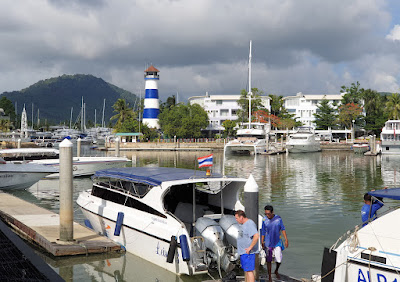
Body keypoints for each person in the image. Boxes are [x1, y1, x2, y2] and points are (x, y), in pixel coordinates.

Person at [260, 205, 288, 282]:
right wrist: (262, 241)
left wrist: (286, 239)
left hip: (277, 242)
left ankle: (276, 270)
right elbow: (263, 231)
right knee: (268, 260)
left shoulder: (278, 219)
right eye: (266, 213)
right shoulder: (264, 220)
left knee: (278, 259)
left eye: (268, 213)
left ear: (272, 212)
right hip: (268, 242)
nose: (267, 215)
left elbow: (283, 229)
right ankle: (269, 276)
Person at [234, 210, 259, 282]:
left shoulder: (249, 224)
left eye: (237, 218)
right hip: (243, 252)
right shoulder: (242, 225)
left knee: (249, 271)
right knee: (246, 270)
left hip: (248, 252)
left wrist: (250, 248)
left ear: (241, 217)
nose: (236, 220)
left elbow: (256, 236)